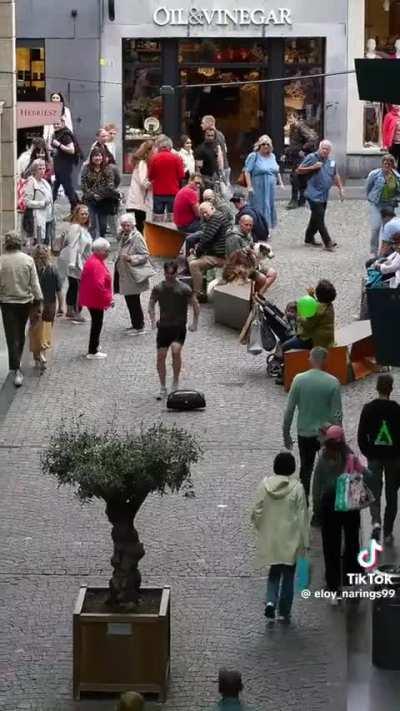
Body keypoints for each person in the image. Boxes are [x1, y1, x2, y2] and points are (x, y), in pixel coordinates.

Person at [251, 452, 309, 622]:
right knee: (289, 575)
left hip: (272, 537)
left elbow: (257, 510)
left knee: (274, 572)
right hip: (290, 538)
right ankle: (284, 611)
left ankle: (270, 601)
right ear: (292, 468)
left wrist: (261, 526)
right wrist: (305, 541)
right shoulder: (297, 488)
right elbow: (302, 516)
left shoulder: (264, 485)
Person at [283, 347, 343, 501]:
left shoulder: (299, 379)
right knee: (328, 470)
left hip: (305, 432)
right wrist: (339, 437)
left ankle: (304, 501)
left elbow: (289, 410)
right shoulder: (333, 382)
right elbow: (337, 414)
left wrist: (286, 434)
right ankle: (323, 506)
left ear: (311, 359)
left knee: (306, 468)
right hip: (326, 434)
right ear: (324, 360)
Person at [312, 426, 364, 601]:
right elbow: (358, 478)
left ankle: (334, 586)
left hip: (330, 506)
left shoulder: (323, 458)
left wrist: (317, 510)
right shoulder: (349, 456)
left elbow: (317, 485)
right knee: (351, 542)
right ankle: (351, 580)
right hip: (349, 504)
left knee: (331, 546)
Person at [358, 374, 400, 544]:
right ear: (391, 388)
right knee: (392, 495)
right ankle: (388, 532)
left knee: (374, 494)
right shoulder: (397, 410)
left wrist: (368, 452)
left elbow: (361, 436)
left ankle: (376, 526)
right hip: (394, 458)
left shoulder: (368, 409)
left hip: (374, 457)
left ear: (377, 388)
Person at [149, 260, 199, 400]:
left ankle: (175, 381)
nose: (169, 276)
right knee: (161, 356)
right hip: (164, 327)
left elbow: (195, 304)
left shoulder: (184, 289)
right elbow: (151, 303)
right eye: (167, 274)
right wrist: (152, 319)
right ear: (164, 273)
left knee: (176, 351)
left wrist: (195, 322)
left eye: (172, 273)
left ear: (176, 273)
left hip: (178, 327)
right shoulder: (158, 288)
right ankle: (162, 386)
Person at [0, 231, 43, 387]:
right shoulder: (28, 260)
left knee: (11, 336)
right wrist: (39, 301)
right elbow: (34, 283)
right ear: (20, 243)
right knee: (20, 332)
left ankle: (16, 368)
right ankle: (17, 364)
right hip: (25, 301)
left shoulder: (1, 261)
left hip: (7, 303)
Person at [297, 139, 344, 251]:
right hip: (312, 193)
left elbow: (335, 175)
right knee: (320, 217)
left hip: (323, 194)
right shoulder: (312, 157)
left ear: (330, 151)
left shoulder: (331, 162)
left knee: (316, 217)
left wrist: (341, 188)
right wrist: (313, 167)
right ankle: (327, 242)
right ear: (319, 148)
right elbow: (299, 170)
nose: (325, 151)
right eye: (323, 148)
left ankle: (308, 237)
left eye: (327, 150)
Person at [115, 213, 152, 334]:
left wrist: (131, 258)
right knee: (130, 300)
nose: (125, 227)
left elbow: (145, 255)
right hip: (125, 273)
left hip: (132, 274)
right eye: (123, 225)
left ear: (133, 225)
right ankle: (135, 323)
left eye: (127, 225)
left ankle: (139, 326)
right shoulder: (123, 235)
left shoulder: (137, 237)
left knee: (133, 300)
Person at [188, 201, 230, 301]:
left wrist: (197, 252)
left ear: (212, 208)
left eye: (206, 212)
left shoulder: (216, 218)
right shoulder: (216, 216)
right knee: (193, 259)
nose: (204, 215)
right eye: (202, 214)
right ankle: (201, 289)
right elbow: (206, 236)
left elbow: (206, 238)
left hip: (221, 256)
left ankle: (198, 294)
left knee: (193, 264)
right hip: (218, 253)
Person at [29, 245, 63, 369]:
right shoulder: (53, 269)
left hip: (34, 304)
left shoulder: (31, 270)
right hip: (50, 304)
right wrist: (61, 306)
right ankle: (42, 353)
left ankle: (36, 355)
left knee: (35, 329)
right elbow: (59, 290)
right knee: (47, 329)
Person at [78, 238, 113, 360]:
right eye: (106, 251)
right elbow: (99, 285)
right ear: (98, 251)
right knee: (97, 323)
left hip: (91, 298)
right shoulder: (96, 264)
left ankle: (94, 346)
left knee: (96, 323)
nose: (108, 253)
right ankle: (93, 350)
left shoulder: (94, 260)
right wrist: (109, 299)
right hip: (95, 300)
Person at [282, 279, 336, 354]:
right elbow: (318, 305)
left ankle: (282, 363)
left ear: (319, 294)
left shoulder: (318, 310)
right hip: (327, 340)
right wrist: (311, 296)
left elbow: (307, 325)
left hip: (314, 341)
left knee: (284, 346)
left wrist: (298, 314)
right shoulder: (328, 305)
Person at [59, 204, 93, 319]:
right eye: (82, 214)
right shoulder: (75, 228)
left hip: (80, 261)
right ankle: (75, 311)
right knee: (77, 286)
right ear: (76, 215)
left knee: (75, 286)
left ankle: (72, 310)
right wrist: (73, 263)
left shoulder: (82, 227)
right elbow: (72, 246)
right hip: (75, 262)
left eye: (86, 214)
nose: (85, 216)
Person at [244, 135, 282, 230]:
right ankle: (255, 228)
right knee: (258, 206)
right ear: (259, 145)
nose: (265, 146)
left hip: (270, 187)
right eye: (263, 144)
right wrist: (249, 186)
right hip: (258, 186)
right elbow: (247, 171)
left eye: (268, 144)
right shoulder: (254, 156)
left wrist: (281, 183)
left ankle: (266, 228)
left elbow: (277, 170)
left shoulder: (272, 156)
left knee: (269, 206)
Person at [366, 154, 400, 256]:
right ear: (382, 164)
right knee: (375, 228)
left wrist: (396, 199)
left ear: (392, 165)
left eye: (389, 164)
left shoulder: (397, 177)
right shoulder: (374, 174)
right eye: (385, 163)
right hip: (377, 204)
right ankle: (373, 251)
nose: (387, 165)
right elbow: (368, 187)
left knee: (388, 229)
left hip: (389, 205)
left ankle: (386, 251)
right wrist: (370, 198)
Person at [81, 148, 117, 239]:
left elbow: (110, 186)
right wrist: (93, 195)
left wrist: (101, 195)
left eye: (99, 155)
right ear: (92, 158)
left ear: (103, 157)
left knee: (103, 225)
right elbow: (83, 185)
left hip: (104, 201)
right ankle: (91, 243)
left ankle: (101, 243)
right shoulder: (86, 168)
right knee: (91, 224)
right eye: (95, 156)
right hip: (90, 200)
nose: (98, 158)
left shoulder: (107, 168)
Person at [285, 114, 318, 209]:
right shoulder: (294, 127)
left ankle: (295, 200)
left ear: (296, 118)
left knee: (296, 177)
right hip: (295, 156)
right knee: (299, 178)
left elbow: (312, 138)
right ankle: (301, 200)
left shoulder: (300, 126)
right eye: (288, 118)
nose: (289, 120)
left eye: (290, 118)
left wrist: (303, 149)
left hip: (301, 157)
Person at [148, 136, 185, 221]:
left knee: (158, 218)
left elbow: (151, 176)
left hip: (158, 192)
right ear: (170, 147)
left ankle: (157, 233)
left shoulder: (154, 158)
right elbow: (181, 175)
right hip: (173, 192)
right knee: (172, 218)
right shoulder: (177, 158)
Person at [24, 158, 55, 246]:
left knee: (46, 243)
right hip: (37, 218)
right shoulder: (31, 182)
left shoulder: (45, 182)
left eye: (44, 168)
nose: (42, 171)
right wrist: (42, 203)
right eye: (39, 169)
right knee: (38, 244)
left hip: (49, 217)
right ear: (34, 170)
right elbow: (27, 202)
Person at [51, 118, 80, 209]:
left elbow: (72, 150)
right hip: (59, 166)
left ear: (63, 124)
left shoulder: (65, 135)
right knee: (58, 188)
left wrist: (58, 145)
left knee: (68, 188)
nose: (55, 126)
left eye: (58, 124)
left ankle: (76, 207)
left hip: (64, 167)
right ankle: (76, 205)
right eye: (54, 124)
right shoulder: (57, 134)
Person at [126, 139, 154, 233]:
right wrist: (153, 184)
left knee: (136, 229)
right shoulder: (143, 164)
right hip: (138, 202)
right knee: (139, 229)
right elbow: (143, 182)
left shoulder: (139, 163)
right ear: (148, 151)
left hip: (134, 201)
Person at [200, 115, 229, 183]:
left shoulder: (213, 136)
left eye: (203, 123)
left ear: (210, 123)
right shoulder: (220, 134)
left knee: (218, 191)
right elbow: (225, 149)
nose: (201, 125)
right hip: (225, 167)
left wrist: (220, 172)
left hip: (218, 171)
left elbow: (219, 154)